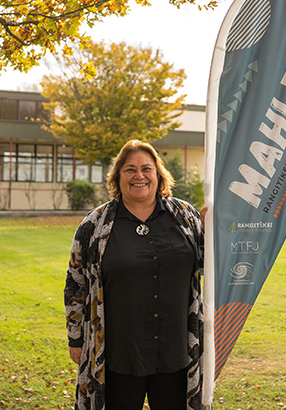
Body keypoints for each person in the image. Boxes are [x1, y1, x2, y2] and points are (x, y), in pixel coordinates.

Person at [64, 139, 205, 410]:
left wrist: (213, 231)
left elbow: (206, 264)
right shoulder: (95, 225)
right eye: (130, 169)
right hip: (118, 354)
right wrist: (76, 339)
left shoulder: (186, 217)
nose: (139, 176)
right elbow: (76, 283)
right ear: (118, 177)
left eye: (146, 168)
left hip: (177, 352)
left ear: (158, 174)